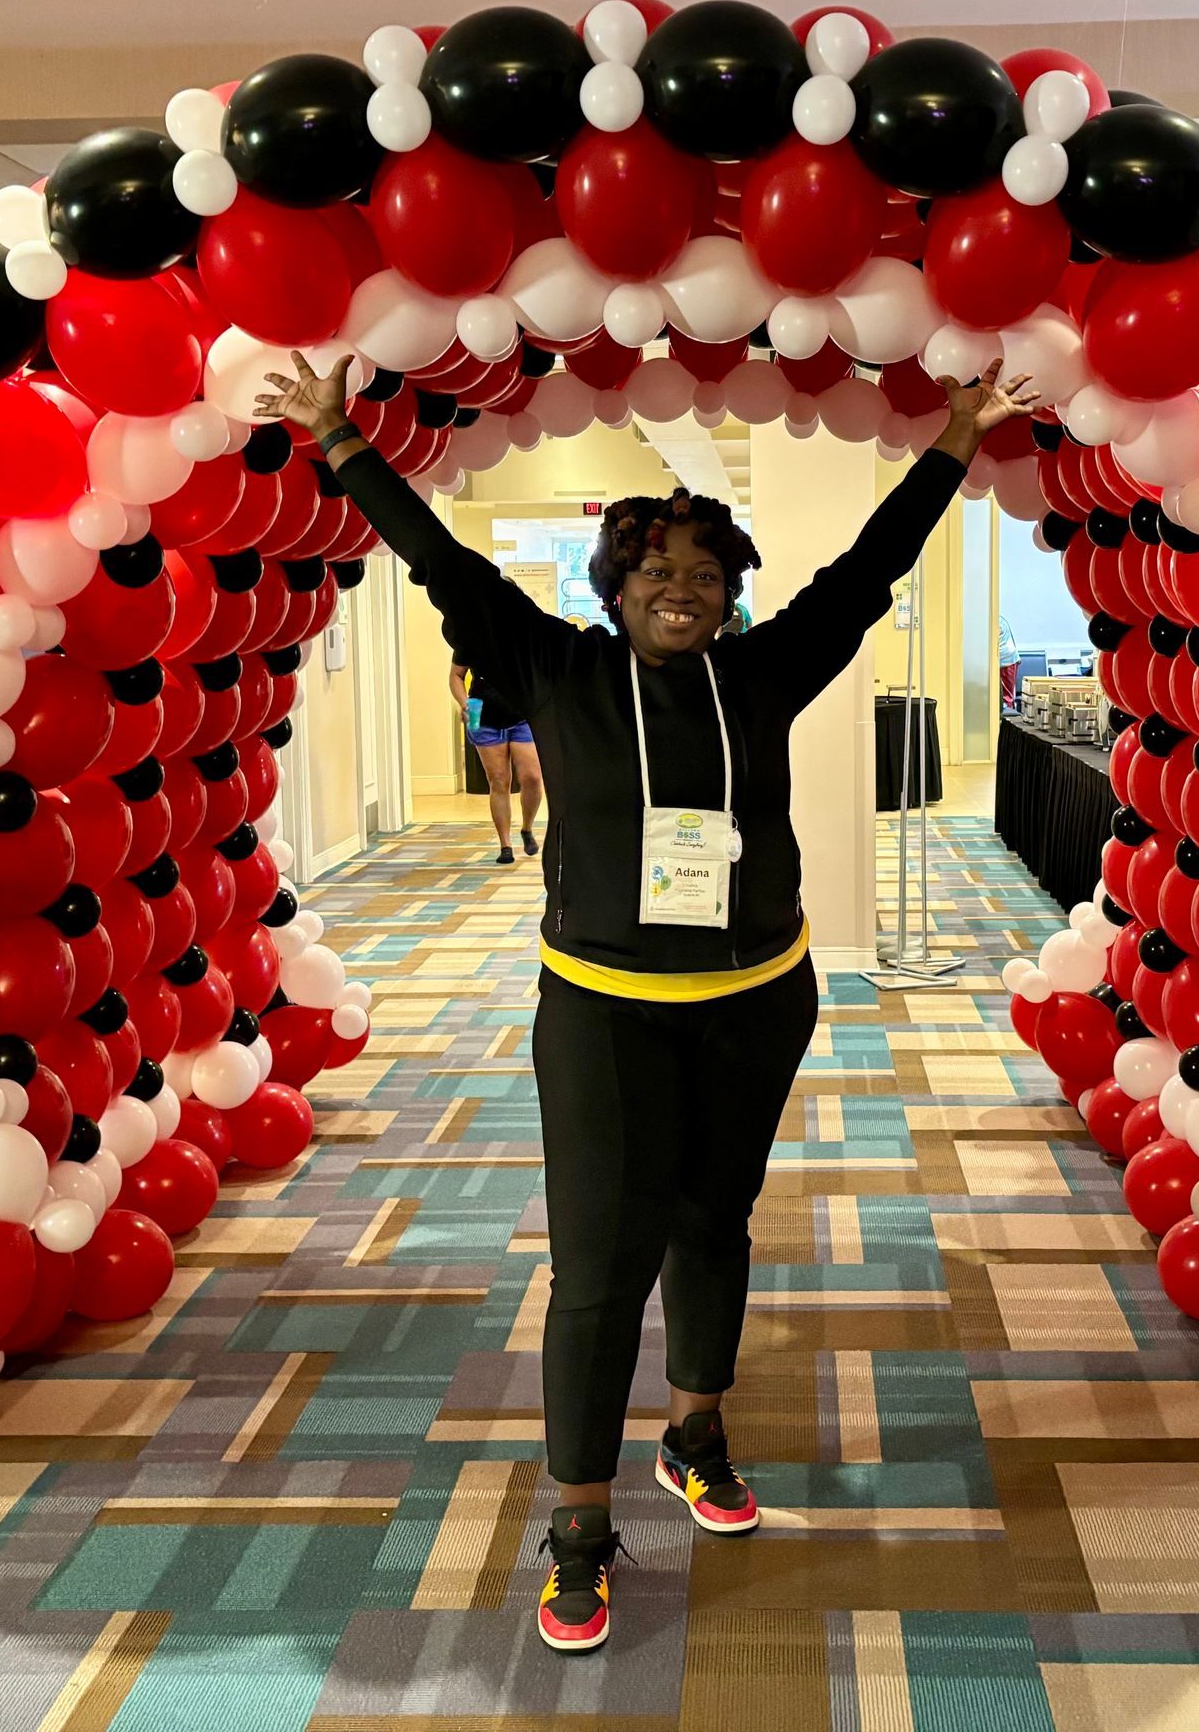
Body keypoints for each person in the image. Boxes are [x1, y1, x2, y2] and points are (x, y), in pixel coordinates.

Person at [256, 352, 1037, 1656]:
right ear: (614, 591)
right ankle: (577, 1520)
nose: (681, 590)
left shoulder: (764, 673)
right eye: (654, 573)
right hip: (603, 1013)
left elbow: (865, 569)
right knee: (598, 1269)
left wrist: (956, 440)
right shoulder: (552, 667)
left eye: (705, 573)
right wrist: (339, 438)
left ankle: (696, 1430)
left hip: (755, 999)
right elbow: (439, 560)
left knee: (714, 1224)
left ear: (731, 594)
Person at [452, 652, 543, 863]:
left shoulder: (525, 634)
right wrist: (465, 704)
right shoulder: (471, 637)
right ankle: (506, 846)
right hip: (485, 719)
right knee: (499, 780)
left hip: (523, 717)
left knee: (532, 777)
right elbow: (456, 675)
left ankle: (527, 829)